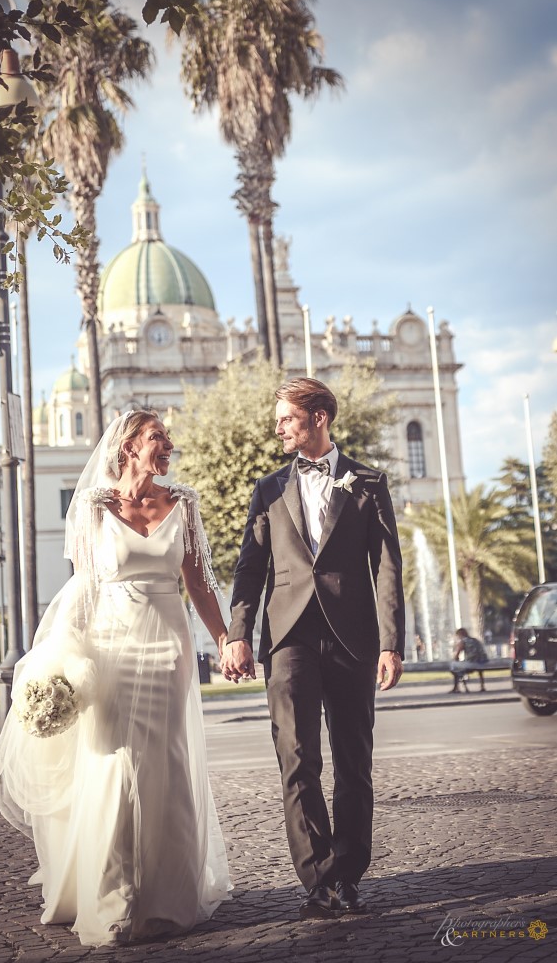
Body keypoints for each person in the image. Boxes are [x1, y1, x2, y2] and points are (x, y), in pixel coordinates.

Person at [0, 411, 231, 947]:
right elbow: (82, 591)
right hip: (112, 648)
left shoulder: (183, 504)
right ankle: (114, 898)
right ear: (127, 447)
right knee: (116, 764)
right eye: (156, 437)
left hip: (168, 646)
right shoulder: (93, 508)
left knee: (165, 762)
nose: (168, 444)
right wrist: (61, 666)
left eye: (168, 437)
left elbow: (198, 582)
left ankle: (168, 900)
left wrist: (224, 637)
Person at [222, 377, 405, 920]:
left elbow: (388, 568)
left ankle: (349, 875)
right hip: (289, 640)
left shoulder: (369, 483)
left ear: (318, 417)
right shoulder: (269, 488)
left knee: (354, 763)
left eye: (286, 417)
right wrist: (237, 633)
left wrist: (391, 642)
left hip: (354, 639)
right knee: (297, 759)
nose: (277, 426)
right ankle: (319, 880)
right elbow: (249, 568)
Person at [449, 626, 488, 693]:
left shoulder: (463, 641)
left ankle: (456, 688)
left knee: (453, 666)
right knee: (459, 667)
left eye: (457, 636)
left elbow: (456, 655)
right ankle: (482, 686)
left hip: (472, 664)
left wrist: (455, 659)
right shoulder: (475, 640)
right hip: (482, 663)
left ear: (460, 635)